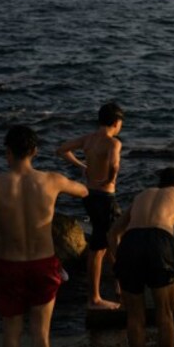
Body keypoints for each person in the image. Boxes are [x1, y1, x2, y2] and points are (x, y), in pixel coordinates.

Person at [0, 125, 88, 347]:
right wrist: (85, 170)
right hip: (43, 264)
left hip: (10, 266)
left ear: (8, 152)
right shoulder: (52, 180)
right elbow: (84, 191)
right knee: (40, 334)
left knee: (11, 333)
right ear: (34, 151)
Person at [108, 167, 174, 347]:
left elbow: (112, 234)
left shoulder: (142, 195)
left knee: (134, 316)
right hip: (159, 243)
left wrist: (121, 261)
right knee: (165, 313)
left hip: (130, 243)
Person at [56, 103, 123, 310]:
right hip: (105, 197)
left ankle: (118, 282)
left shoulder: (89, 139)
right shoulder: (113, 143)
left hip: (89, 195)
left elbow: (61, 150)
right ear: (116, 123)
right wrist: (110, 179)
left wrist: (82, 166)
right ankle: (94, 298)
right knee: (99, 248)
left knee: (107, 237)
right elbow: (114, 164)